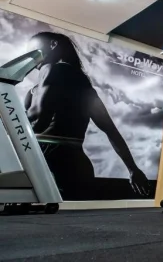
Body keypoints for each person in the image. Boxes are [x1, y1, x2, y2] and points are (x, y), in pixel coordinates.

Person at [23, 31, 150, 199]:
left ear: (53, 45)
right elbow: (111, 130)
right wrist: (132, 168)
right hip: (75, 164)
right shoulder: (83, 86)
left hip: (51, 161)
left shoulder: (53, 69)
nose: (30, 56)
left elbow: (39, 120)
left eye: (33, 49)